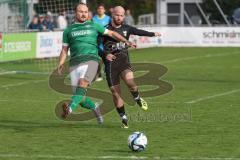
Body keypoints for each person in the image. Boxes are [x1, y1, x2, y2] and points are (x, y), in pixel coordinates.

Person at [58, 3, 135, 124]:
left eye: (85, 12)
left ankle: (70, 109)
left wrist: (125, 40)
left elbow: (112, 33)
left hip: (92, 61)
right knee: (81, 98)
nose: (83, 14)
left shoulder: (94, 25)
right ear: (75, 13)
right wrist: (61, 63)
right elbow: (64, 49)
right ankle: (95, 107)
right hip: (75, 64)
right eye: (81, 12)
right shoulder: (68, 30)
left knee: (82, 83)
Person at [102, 6, 161, 128]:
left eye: (122, 15)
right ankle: (123, 117)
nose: (119, 17)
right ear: (112, 14)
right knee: (115, 93)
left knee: (130, 82)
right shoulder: (104, 30)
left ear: (124, 16)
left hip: (123, 62)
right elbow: (96, 46)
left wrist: (153, 34)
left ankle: (137, 97)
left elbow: (139, 31)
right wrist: (105, 54)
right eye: (117, 15)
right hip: (110, 66)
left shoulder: (126, 28)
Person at [92, 3, 111, 81]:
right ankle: (99, 74)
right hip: (97, 40)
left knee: (107, 57)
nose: (100, 10)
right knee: (98, 58)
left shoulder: (108, 18)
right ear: (97, 10)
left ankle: (107, 71)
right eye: (99, 8)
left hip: (106, 40)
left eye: (102, 8)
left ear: (104, 10)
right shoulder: (94, 19)